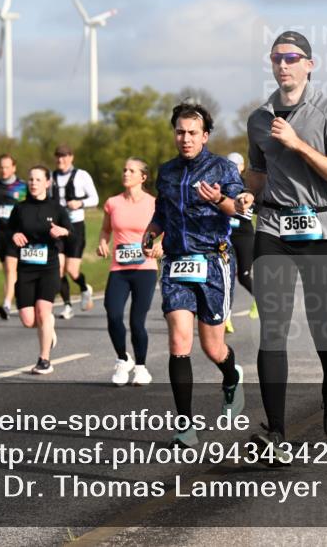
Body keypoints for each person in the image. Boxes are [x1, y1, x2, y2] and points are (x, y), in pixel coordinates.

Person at [244, 30, 327, 461]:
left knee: (321, 326)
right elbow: (258, 172)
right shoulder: (258, 118)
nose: (283, 65)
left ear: (309, 64)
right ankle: (276, 433)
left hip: (322, 228)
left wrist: (298, 145)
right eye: (276, 58)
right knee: (272, 329)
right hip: (273, 225)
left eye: (292, 58)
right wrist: (246, 192)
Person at [144, 100, 245, 449]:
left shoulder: (222, 170)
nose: (185, 139)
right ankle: (185, 426)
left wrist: (220, 201)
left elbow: (241, 210)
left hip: (213, 262)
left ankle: (231, 377)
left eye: (192, 133)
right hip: (176, 262)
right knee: (178, 342)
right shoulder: (167, 172)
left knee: (213, 346)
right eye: (179, 132)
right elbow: (161, 211)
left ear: (205, 136)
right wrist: (151, 232)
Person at [97, 158, 158, 386]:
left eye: (131, 170)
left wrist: (159, 245)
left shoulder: (154, 203)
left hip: (145, 269)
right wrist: (103, 243)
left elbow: (166, 229)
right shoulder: (113, 203)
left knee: (136, 321)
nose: (125, 173)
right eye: (124, 169)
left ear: (143, 177)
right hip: (119, 269)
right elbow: (105, 230)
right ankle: (123, 359)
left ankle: (141, 367)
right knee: (112, 314)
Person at [6, 165, 72, 375]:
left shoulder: (56, 209)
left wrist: (63, 232)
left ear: (47, 182)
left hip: (48, 268)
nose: (33, 183)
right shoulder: (20, 208)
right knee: (28, 320)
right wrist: (13, 235)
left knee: (44, 312)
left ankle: (44, 360)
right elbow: (9, 231)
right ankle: (48, 330)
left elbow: (72, 234)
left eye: (37, 179)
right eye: (30, 179)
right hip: (25, 270)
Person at [51, 145, 100, 319]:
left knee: (72, 270)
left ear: (71, 157)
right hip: (56, 228)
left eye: (64, 157)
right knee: (58, 269)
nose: (60, 160)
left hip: (75, 227)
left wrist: (80, 203)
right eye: (58, 157)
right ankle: (67, 305)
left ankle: (85, 287)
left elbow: (95, 198)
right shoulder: (51, 177)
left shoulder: (82, 175)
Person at [0, 153, 27, 320]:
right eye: (1, 167)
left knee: (10, 268)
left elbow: (31, 205)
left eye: (7, 167)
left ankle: (7, 304)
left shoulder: (22, 187)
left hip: (16, 233)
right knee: (8, 270)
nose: (4, 170)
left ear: (13, 168)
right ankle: (16, 299)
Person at [225, 152, 258, 332]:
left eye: (236, 164)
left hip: (245, 235)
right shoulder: (221, 184)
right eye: (229, 164)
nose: (232, 167)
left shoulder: (248, 185)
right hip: (227, 235)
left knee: (244, 276)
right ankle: (226, 318)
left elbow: (258, 206)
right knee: (227, 278)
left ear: (242, 166)